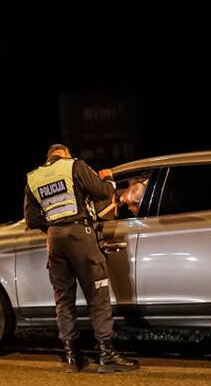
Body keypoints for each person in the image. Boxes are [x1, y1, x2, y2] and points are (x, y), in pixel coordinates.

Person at [24, 144, 139, 373]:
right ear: (64, 154)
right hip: (80, 235)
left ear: (49, 157)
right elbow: (103, 192)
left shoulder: (33, 178)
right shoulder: (74, 166)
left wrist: (55, 226)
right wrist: (108, 180)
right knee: (97, 293)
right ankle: (107, 355)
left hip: (54, 239)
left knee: (63, 298)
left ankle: (72, 357)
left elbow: (32, 218)